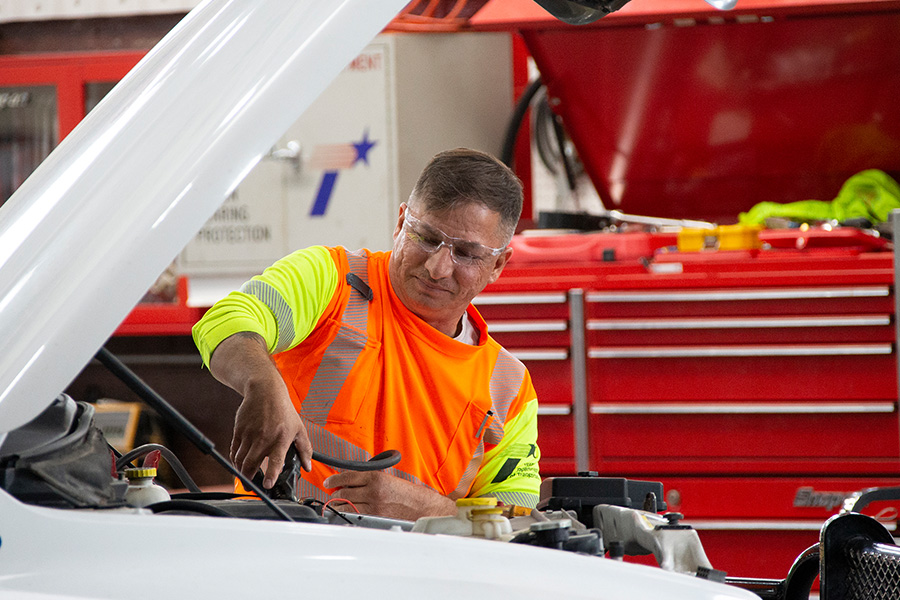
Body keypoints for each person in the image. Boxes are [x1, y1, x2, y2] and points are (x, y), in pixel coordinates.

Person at [192, 148, 541, 520]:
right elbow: (226, 320)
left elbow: (519, 526)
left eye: (467, 254)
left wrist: (429, 511)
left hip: (417, 571)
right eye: (426, 237)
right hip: (285, 549)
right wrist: (263, 383)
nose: (438, 268)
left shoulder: (508, 386)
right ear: (401, 222)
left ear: (498, 265)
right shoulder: (332, 280)